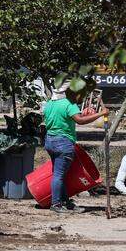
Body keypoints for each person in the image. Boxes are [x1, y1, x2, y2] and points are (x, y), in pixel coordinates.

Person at [43, 83, 108, 213]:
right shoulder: (68, 104)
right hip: (63, 143)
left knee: (60, 174)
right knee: (59, 175)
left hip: (50, 141)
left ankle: (66, 202)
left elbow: (68, 118)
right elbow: (80, 121)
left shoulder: (50, 104)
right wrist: (102, 113)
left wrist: (84, 114)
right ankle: (56, 204)